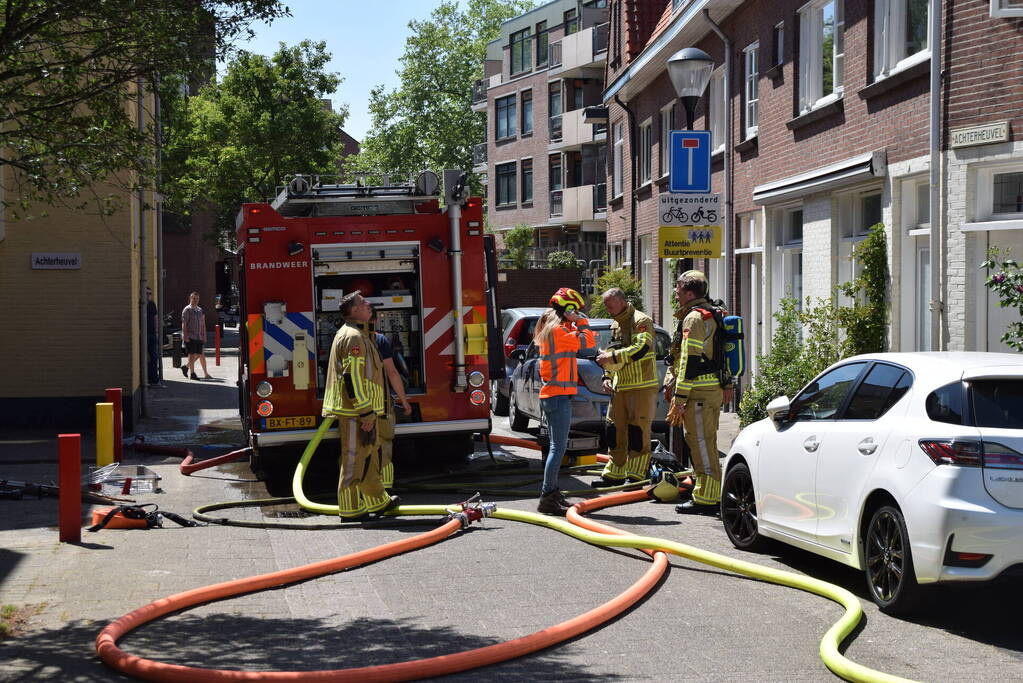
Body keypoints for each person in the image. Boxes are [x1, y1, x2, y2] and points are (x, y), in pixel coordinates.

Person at [321, 292, 400, 520]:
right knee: (354, 459)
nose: (369, 304)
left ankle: (377, 501)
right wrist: (365, 411)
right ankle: (350, 509)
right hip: (357, 412)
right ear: (354, 310)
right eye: (364, 302)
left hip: (365, 411)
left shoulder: (360, 334)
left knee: (368, 458)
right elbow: (352, 378)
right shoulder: (354, 337)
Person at [664, 270, 734, 514]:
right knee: (706, 441)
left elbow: (689, 361)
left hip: (699, 392)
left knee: (701, 443)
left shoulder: (695, 319)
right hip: (711, 388)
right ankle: (706, 489)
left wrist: (679, 397)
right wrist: (728, 383)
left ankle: (707, 498)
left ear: (689, 292)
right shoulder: (714, 313)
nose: (675, 293)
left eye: (678, 290)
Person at [534, 287, 595, 515]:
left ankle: (551, 493)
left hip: (554, 395)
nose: (578, 313)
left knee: (555, 447)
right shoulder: (558, 332)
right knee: (557, 449)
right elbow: (587, 343)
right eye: (575, 310)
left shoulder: (554, 330)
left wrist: (575, 322)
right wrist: (581, 322)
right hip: (557, 396)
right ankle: (547, 496)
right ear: (568, 309)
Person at [593, 288, 659, 487]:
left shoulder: (642, 321)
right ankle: (614, 473)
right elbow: (611, 351)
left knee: (638, 431)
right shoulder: (615, 324)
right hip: (620, 386)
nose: (607, 308)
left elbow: (641, 348)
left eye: (609, 304)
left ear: (622, 301)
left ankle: (636, 475)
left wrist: (611, 357)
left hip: (642, 386)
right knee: (614, 430)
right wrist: (607, 376)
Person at [372, 308, 412, 490]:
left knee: (357, 451)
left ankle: (363, 490)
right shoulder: (379, 340)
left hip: (353, 408)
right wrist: (403, 402)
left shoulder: (343, 339)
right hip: (380, 404)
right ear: (374, 321)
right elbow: (392, 373)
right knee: (384, 447)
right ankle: (385, 489)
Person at [181, 292, 213, 380]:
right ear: (190, 298)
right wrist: (185, 336)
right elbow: (184, 324)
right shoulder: (187, 310)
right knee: (192, 355)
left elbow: (203, 324)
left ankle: (186, 367)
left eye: (197, 299)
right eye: (194, 298)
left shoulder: (200, 310)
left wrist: (204, 335)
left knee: (200, 354)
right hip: (190, 336)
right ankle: (192, 374)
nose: (195, 300)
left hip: (199, 336)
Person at [146, 288, 161, 386]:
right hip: (143, 334)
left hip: (152, 333)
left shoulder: (152, 304)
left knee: (154, 356)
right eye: (146, 293)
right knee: (144, 357)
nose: (148, 295)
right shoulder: (139, 304)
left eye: (149, 293)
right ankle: (146, 378)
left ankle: (154, 378)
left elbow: (155, 318)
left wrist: (156, 331)